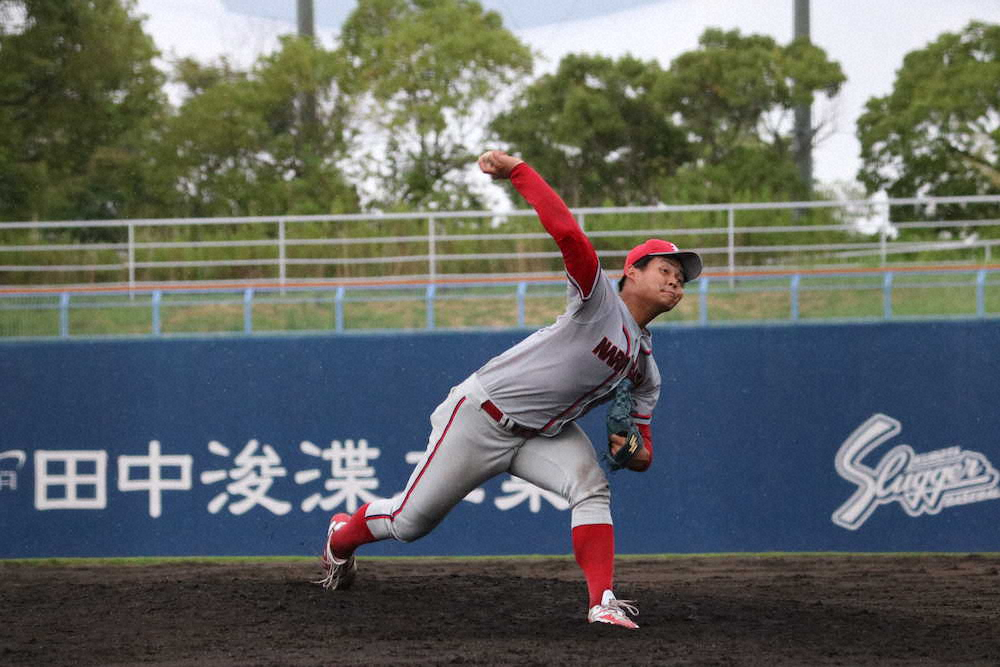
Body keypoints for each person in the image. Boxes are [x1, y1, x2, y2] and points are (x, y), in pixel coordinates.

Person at [318, 150, 702, 629]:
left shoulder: (645, 369)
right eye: (664, 268)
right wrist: (518, 172)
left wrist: (629, 450)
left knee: (592, 487)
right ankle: (341, 537)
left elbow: (642, 451)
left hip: (543, 433)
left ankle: (601, 601)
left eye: (681, 277)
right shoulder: (598, 300)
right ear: (632, 272)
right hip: (482, 416)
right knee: (409, 523)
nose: (675, 279)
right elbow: (568, 234)